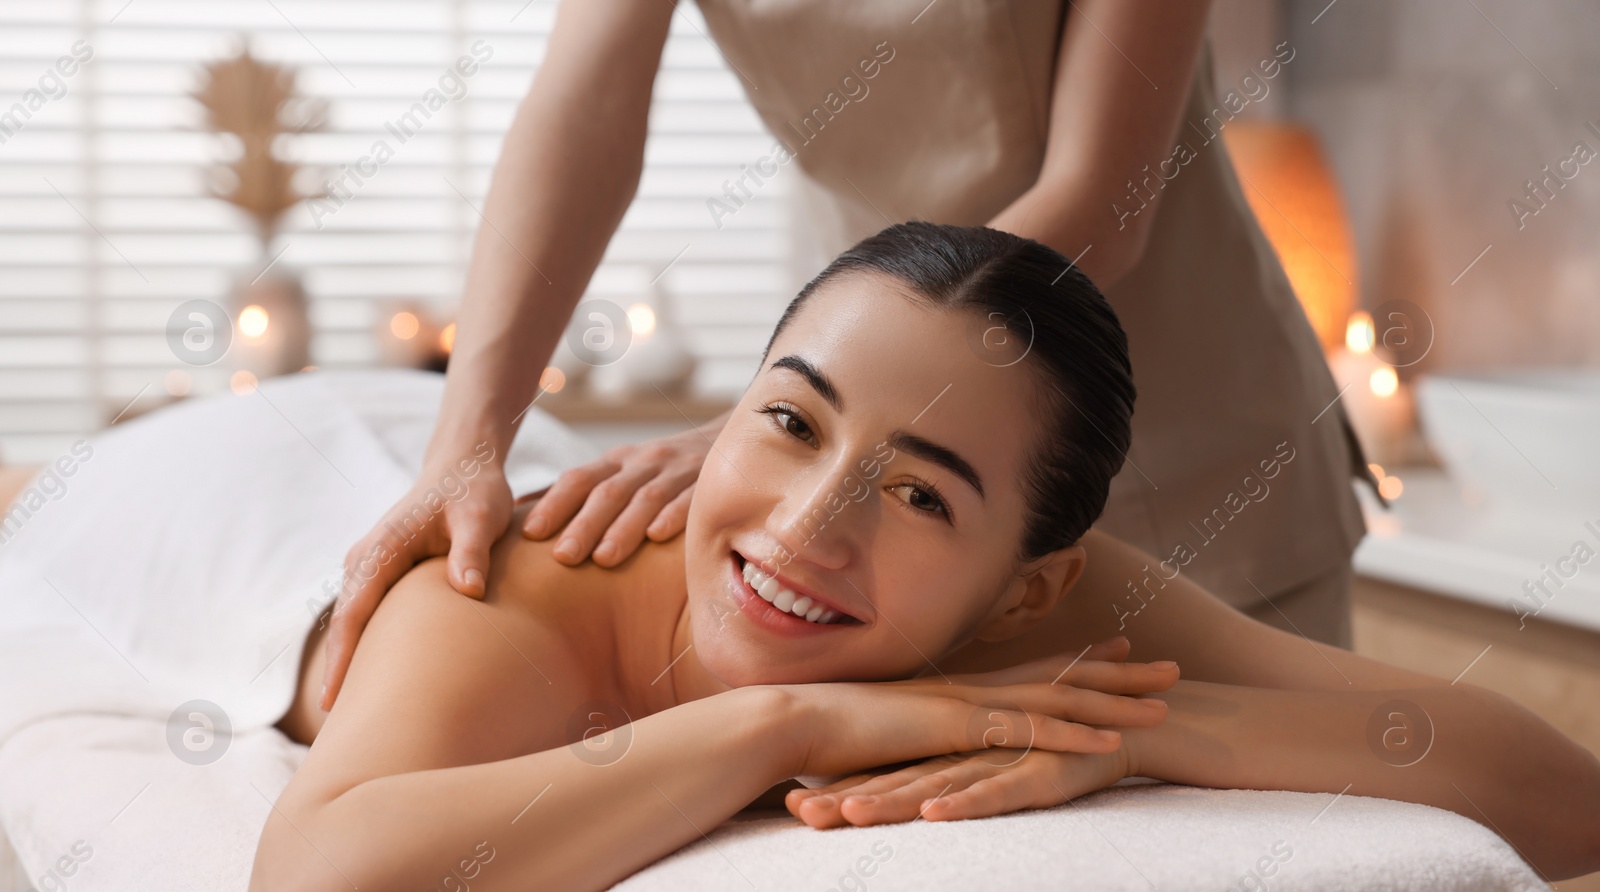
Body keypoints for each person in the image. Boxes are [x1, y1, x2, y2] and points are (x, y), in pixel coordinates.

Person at [215, 224, 1595, 892]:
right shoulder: (506, 588)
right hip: (259, 477)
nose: (814, 525)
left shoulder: (1058, 595)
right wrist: (790, 719)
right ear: (720, 419)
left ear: (1028, 588)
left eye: (925, 489)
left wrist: (1125, 729)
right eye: (789, 418)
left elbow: (1560, 794)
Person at [319, 0, 1370, 713]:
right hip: (893, 499)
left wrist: (799, 421)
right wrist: (466, 446)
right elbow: (584, 102)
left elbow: (1104, 193)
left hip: (1199, 447)